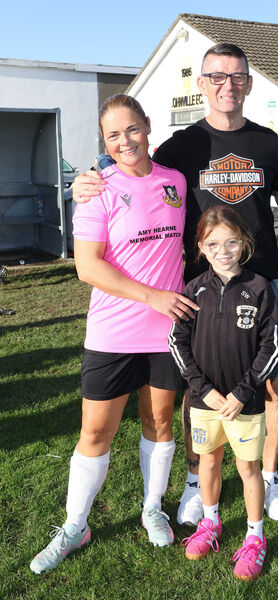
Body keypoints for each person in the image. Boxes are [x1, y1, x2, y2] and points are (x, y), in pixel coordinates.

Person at [72, 43, 278, 526]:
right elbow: (135, 169)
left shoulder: (270, 144)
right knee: (198, 389)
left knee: (272, 387)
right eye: (216, 77)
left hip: (264, 282)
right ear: (201, 83)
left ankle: (269, 477)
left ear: (249, 83)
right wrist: (91, 177)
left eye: (236, 77)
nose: (226, 86)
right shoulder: (181, 147)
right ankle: (195, 479)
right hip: (201, 290)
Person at [29, 94, 199, 575]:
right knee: (95, 432)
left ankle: (152, 509)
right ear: (103, 142)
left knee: (160, 425)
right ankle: (75, 524)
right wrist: (151, 297)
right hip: (114, 330)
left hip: (168, 330)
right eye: (113, 135)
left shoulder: (176, 181)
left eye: (132, 129)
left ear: (148, 127)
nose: (126, 141)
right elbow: (87, 266)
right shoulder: (97, 188)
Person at [169, 206, 278, 581]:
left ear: (245, 242)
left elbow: (274, 347)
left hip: (244, 404)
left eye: (232, 241)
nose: (224, 250)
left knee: (248, 468)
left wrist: (241, 391)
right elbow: (177, 341)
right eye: (214, 243)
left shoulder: (260, 289)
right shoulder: (194, 289)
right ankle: (211, 522)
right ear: (200, 246)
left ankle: (255, 537)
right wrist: (203, 388)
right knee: (208, 462)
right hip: (205, 402)